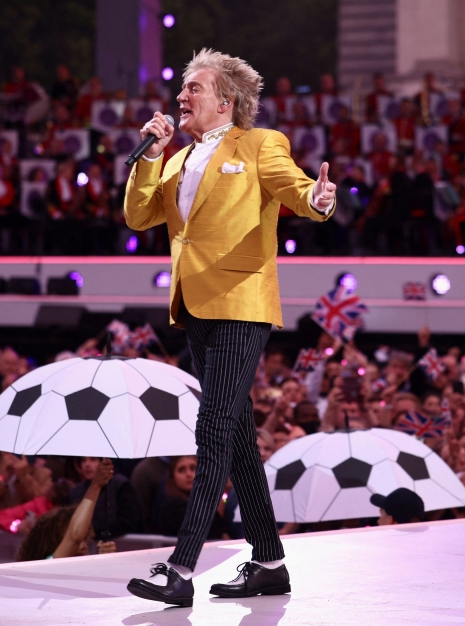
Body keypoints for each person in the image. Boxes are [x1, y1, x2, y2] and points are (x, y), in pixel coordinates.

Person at [125, 48, 335, 606]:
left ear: (227, 101)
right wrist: (150, 157)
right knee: (238, 435)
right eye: (182, 89)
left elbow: (294, 188)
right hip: (194, 304)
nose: (181, 97)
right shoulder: (173, 158)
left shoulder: (260, 143)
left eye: (193, 87)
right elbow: (138, 215)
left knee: (213, 426)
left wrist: (316, 201)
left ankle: (180, 567)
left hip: (242, 301)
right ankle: (268, 563)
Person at [15, 476, 117, 562]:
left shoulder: (85, 565)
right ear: (53, 542)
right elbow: (74, 538)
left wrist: (105, 561)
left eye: (84, 539)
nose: (83, 546)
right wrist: (96, 485)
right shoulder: (48, 564)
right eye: (77, 539)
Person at [66, 456, 142, 540]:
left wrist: (98, 534)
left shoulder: (120, 485)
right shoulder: (75, 492)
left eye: (93, 459)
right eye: (83, 460)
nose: (86, 464)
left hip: (119, 544)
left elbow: (129, 522)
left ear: (104, 462)